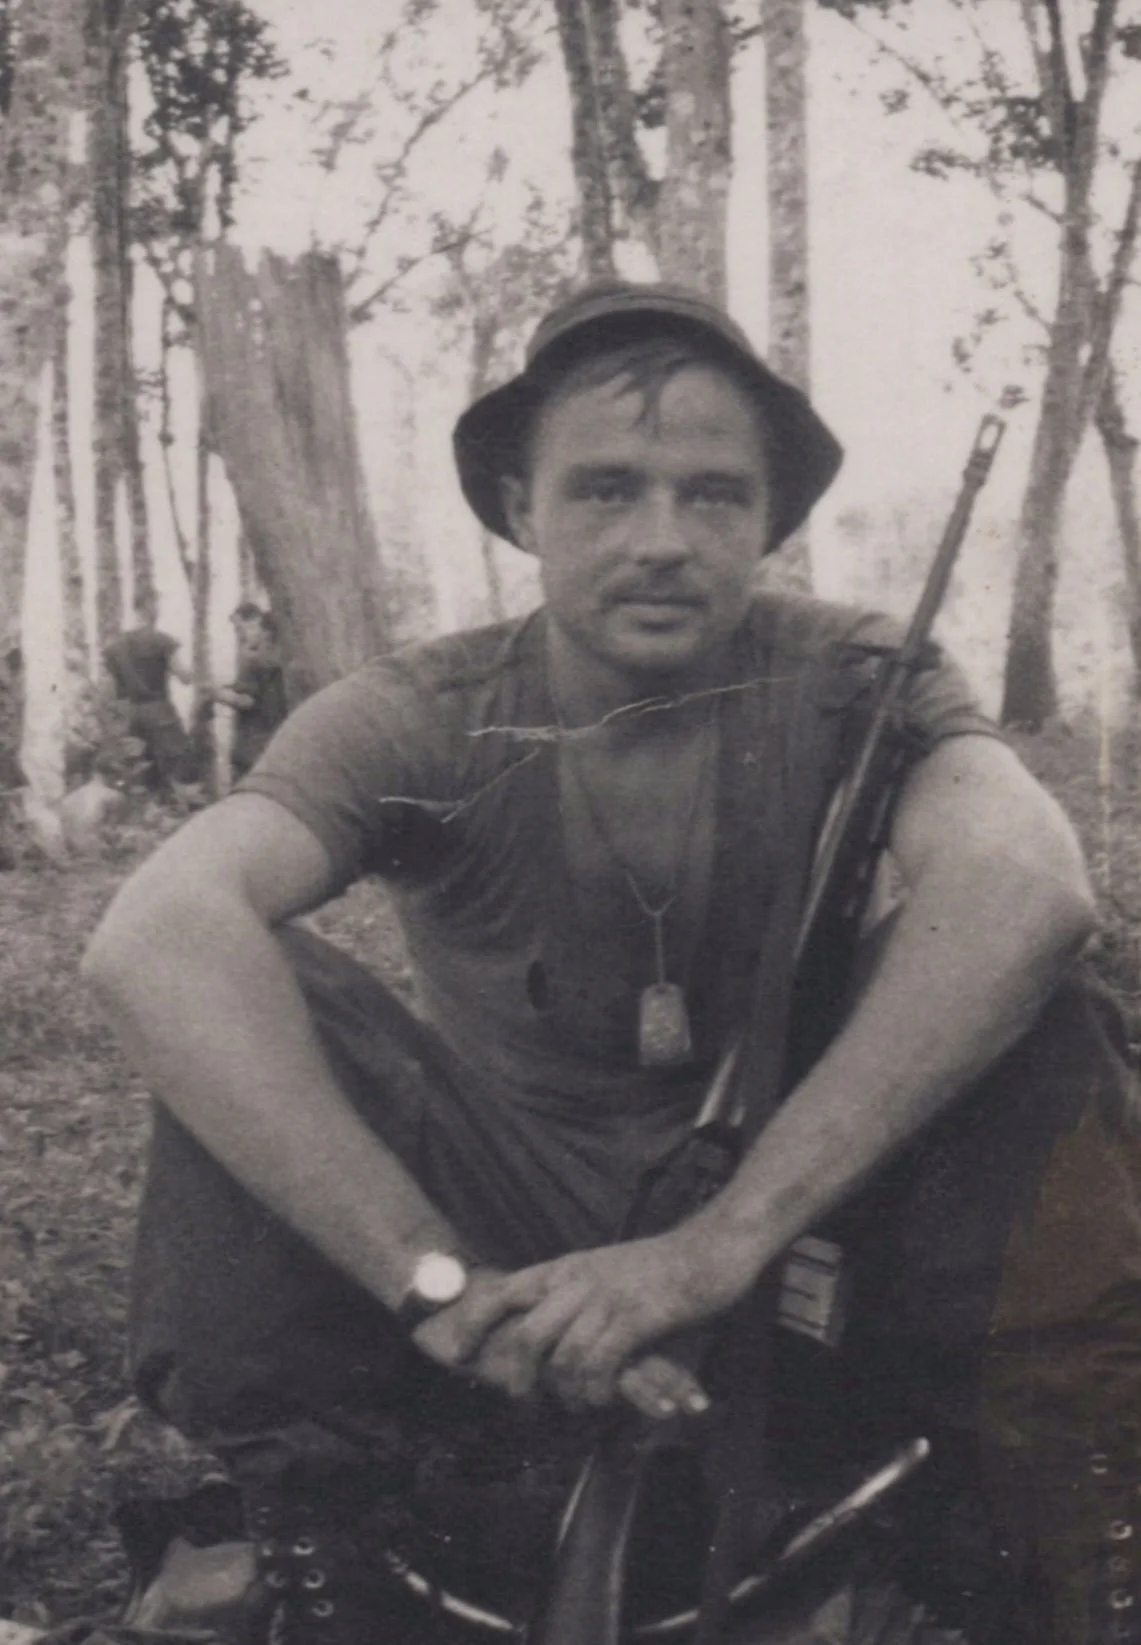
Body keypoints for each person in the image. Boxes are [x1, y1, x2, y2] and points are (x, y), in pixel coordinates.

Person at [84, 283, 1141, 1645]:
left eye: (711, 495)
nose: (661, 541)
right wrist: (438, 1285)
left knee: (1045, 1016)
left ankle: (1051, 1534)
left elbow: (1025, 883)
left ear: (770, 519)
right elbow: (153, 934)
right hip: (503, 1245)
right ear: (520, 510)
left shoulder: (855, 675)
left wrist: (716, 1248)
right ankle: (329, 1547)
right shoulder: (420, 713)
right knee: (251, 1000)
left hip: (804, 1219)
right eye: (603, 492)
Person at [103, 605, 193, 797]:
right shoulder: (161, 640)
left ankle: (145, 809)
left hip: (132, 712)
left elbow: (112, 686)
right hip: (159, 709)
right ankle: (176, 806)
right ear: (152, 615)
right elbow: (185, 677)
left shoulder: (115, 646)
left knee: (139, 764)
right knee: (176, 759)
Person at [213, 605, 288, 782]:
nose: (240, 634)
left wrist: (216, 694)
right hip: (276, 734)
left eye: (241, 627)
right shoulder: (279, 658)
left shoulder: (253, 661)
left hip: (252, 741)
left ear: (257, 624)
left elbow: (247, 701)